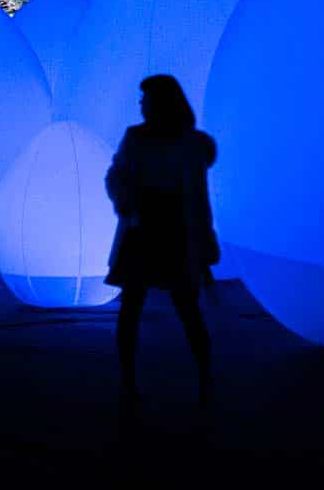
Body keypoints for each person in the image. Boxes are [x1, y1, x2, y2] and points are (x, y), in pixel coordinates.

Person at [105, 74, 219, 407]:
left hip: (165, 231)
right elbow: (118, 176)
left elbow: (197, 198)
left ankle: (198, 376)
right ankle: (200, 377)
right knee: (156, 308)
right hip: (152, 229)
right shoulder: (182, 142)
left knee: (164, 308)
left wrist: (126, 202)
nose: (141, 104)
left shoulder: (181, 143)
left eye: (145, 98)